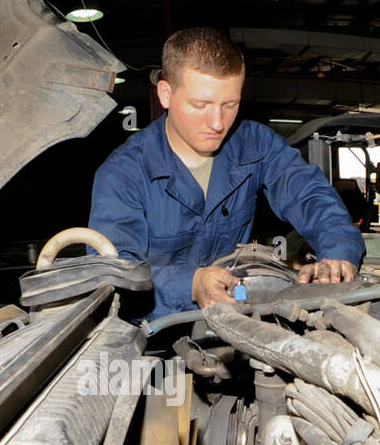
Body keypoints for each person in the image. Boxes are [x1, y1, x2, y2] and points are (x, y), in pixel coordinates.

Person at [88, 28, 365, 318]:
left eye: (229, 104)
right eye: (201, 105)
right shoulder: (123, 174)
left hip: (237, 318)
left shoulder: (255, 144)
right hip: (153, 338)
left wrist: (337, 252)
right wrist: (190, 284)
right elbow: (115, 275)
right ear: (165, 94)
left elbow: (309, 194)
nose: (218, 123)